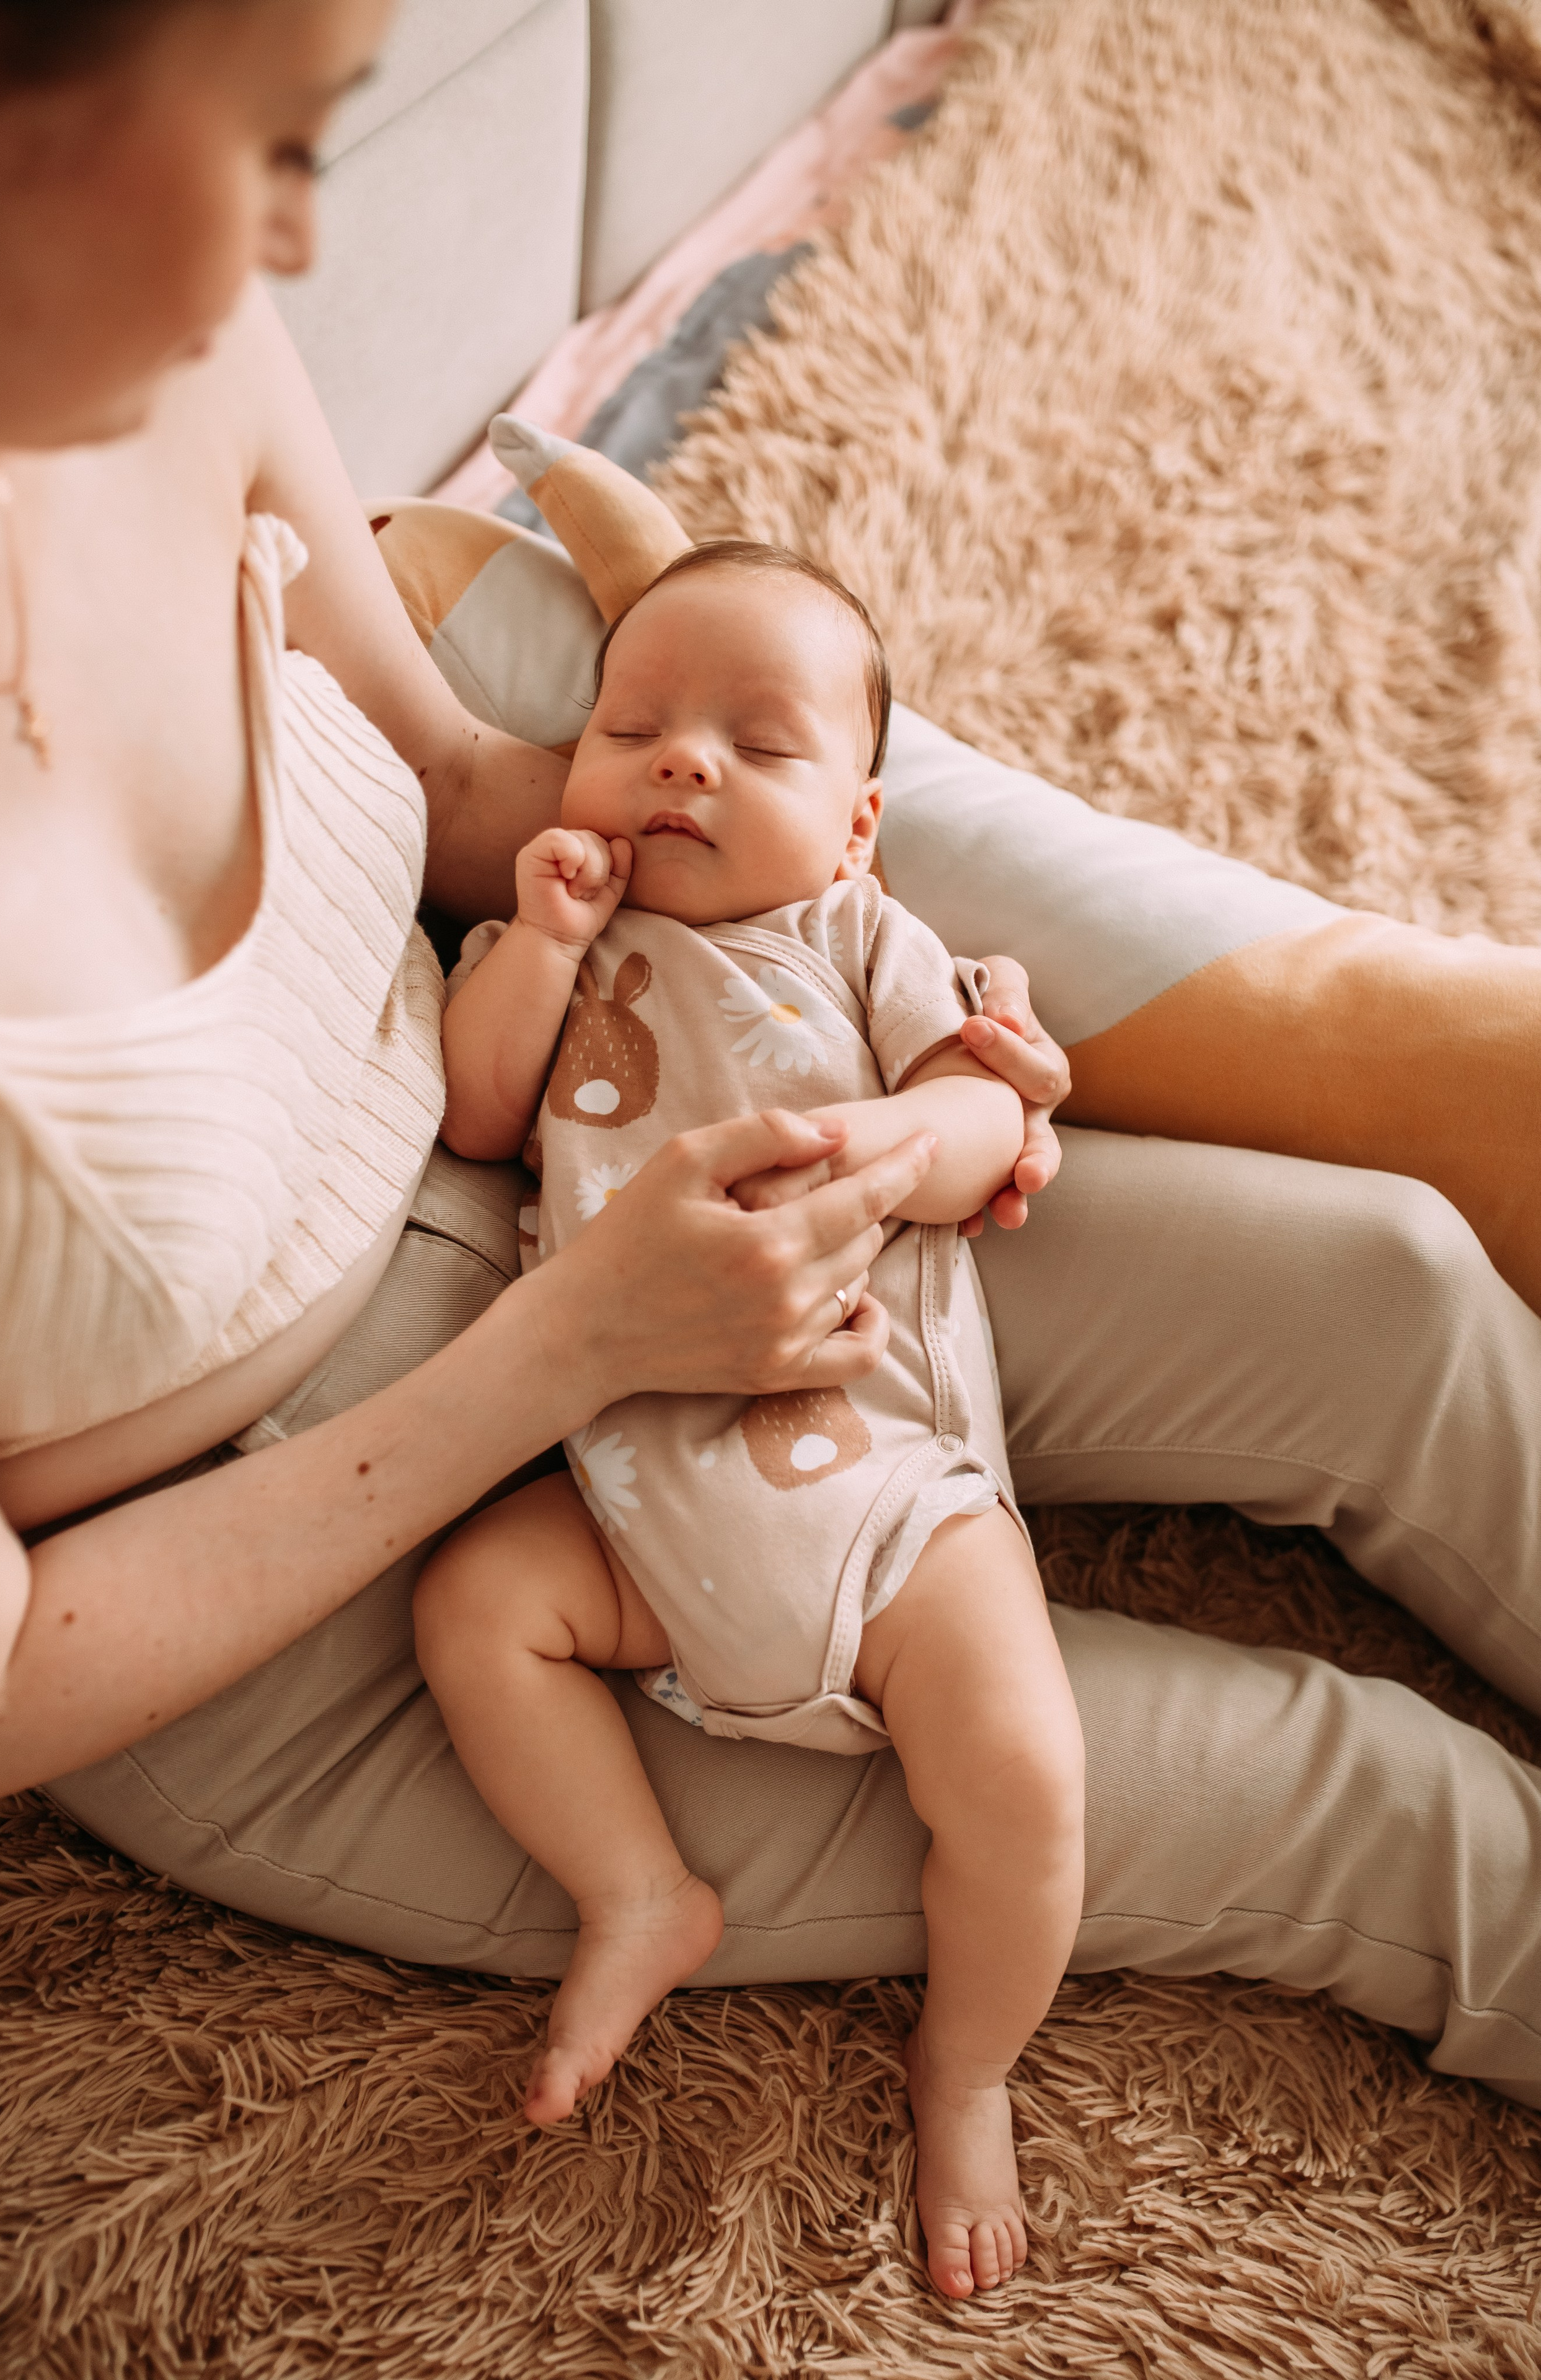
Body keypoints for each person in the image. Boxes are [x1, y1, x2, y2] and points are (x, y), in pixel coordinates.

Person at [0, 0, 1538, 2306]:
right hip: (303, 1591)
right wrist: (568, 1350)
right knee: (1377, 1798)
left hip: (602, 1151)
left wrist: (870, 960)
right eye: (256, 142)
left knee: (1390, 1286)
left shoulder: (176, 330)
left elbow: (484, 794)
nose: (301, 231)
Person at [422, 540, 1082, 2295]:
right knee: (477, 1606)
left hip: (879, 1491)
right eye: (632, 723)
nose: (682, 760)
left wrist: (895, 1142)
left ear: (859, 825)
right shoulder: (546, 939)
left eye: (757, 744)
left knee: (1022, 1771)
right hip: (642, 1501)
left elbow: (974, 1132)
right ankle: (640, 1887)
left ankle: (969, 2069)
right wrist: (544, 938)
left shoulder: (859, 935)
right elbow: (484, 1117)